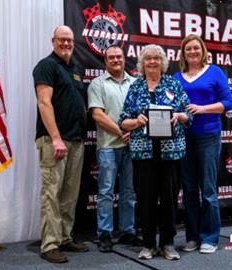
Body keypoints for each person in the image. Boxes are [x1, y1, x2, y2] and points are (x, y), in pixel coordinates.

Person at [119, 44, 192, 260]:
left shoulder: (173, 84)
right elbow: (123, 121)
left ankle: (168, 243)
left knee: (169, 199)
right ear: (142, 63)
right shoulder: (136, 87)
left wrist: (179, 116)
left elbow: (189, 114)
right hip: (144, 153)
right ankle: (149, 244)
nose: (152, 62)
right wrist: (136, 121)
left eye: (156, 58)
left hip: (171, 153)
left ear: (163, 62)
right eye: (148, 59)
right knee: (146, 198)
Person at [32, 25, 89, 264]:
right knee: (51, 194)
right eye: (62, 40)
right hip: (54, 140)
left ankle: (65, 237)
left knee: (69, 195)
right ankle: (50, 244)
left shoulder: (74, 69)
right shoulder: (46, 66)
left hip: (76, 141)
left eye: (69, 41)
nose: (66, 44)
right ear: (53, 40)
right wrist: (55, 137)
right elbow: (44, 103)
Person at [174, 34, 232, 254]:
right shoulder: (176, 77)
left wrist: (202, 109)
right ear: (183, 53)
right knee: (189, 189)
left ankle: (209, 237)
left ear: (203, 51)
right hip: (184, 138)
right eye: (188, 49)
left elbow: (228, 102)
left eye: (196, 49)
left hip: (208, 135)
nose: (193, 52)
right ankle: (192, 237)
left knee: (208, 189)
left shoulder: (215, 72)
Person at [87, 45, 141, 252]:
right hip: (109, 146)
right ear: (105, 61)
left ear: (124, 58)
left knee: (129, 191)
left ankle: (128, 231)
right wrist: (121, 131)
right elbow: (97, 115)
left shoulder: (135, 83)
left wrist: (133, 132)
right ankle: (105, 233)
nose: (116, 60)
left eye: (119, 56)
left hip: (132, 146)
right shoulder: (97, 84)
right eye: (112, 57)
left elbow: (141, 112)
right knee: (106, 191)